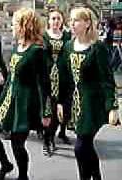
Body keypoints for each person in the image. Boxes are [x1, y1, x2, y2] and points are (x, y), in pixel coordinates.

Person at [0, 7, 46, 180]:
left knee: (17, 144)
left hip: (24, 102)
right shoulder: (19, 45)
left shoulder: (37, 51)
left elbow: (44, 83)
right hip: (7, 98)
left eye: (15, 24)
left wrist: (45, 112)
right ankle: (5, 164)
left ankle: (23, 176)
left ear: (25, 26)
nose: (12, 27)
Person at [58, 7, 120, 180]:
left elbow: (107, 80)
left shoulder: (97, 48)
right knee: (85, 146)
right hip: (76, 104)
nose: (72, 23)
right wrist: (60, 102)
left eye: (76, 20)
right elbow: (64, 78)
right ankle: (97, 176)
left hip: (93, 104)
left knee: (80, 147)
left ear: (87, 23)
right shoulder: (68, 47)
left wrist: (112, 107)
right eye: (70, 20)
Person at [42, 8, 72, 156]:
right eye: (53, 18)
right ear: (48, 20)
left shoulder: (67, 36)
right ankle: (48, 140)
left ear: (62, 21)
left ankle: (61, 132)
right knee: (50, 111)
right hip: (47, 78)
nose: (56, 21)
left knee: (65, 110)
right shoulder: (43, 36)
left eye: (58, 19)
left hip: (64, 77)